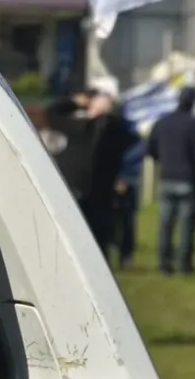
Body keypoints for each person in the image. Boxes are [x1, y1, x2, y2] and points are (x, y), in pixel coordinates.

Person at [45, 81, 137, 257]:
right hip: (98, 195)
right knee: (96, 243)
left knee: (79, 241)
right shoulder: (105, 130)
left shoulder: (84, 128)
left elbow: (53, 113)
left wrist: (76, 102)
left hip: (81, 192)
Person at [146, 87, 195, 275]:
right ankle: (184, 264)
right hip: (188, 179)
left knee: (166, 224)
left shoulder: (162, 123)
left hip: (167, 177)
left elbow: (151, 150)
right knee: (186, 225)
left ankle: (164, 263)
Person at [112, 140, 146, 269]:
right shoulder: (132, 137)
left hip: (125, 182)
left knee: (126, 221)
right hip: (124, 180)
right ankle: (124, 256)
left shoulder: (130, 138)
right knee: (125, 221)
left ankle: (124, 256)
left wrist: (123, 177)